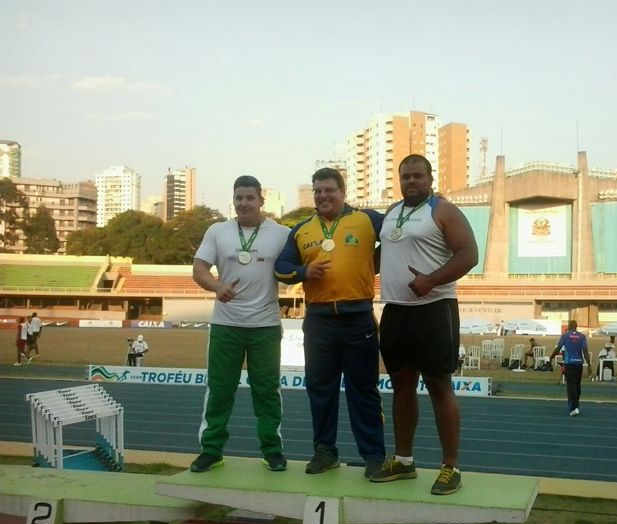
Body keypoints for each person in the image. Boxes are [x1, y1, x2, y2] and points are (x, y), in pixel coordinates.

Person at [369, 154, 478, 495]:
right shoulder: (391, 213)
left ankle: (451, 467)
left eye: (417, 175)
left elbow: (469, 255)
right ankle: (403, 461)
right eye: (405, 176)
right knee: (401, 385)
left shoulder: (442, 210)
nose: (411, 181)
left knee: (438, 386)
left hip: (434, 308)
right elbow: (380, 257)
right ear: (398, 179)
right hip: (396, 311)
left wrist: (431, 280)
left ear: (430, 178)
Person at [274, 167, 385, 478]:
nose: (323, 196)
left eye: (329, 190)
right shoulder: (301, 230)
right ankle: (325, 451)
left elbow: (399, 233)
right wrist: (303, 273)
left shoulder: (367, 220)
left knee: (363, 389)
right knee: (320, 389)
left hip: (358, 317)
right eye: (318, 191)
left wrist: (373, 263)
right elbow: (280, 267)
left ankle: (373, 455)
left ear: (342, 192)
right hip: (319, 320)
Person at [190, 175, 291, 473]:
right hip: (226, 325)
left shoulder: (282, 233)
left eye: (250, 197)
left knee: (267, 391)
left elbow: (295, 268)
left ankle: (272, 450)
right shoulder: (217, 231)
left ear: (262, 200)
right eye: (239, 198)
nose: (244, 203)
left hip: (265, 325)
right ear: (233, 201)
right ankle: (211, 450)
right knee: (220, 390)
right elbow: (199, 269)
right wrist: (216, 286)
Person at [550, 321, 590, 416]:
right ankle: (575, 404)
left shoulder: (565, 336)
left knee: (571, 384)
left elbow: (558, 348)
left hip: (569, 363)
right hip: (579, 363)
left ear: (569, 326)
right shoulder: (582, 336)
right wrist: (589, 364)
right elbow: (585, 351)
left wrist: (551, 356)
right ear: (576, 326)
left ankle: (574, 407)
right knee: (577, 384)